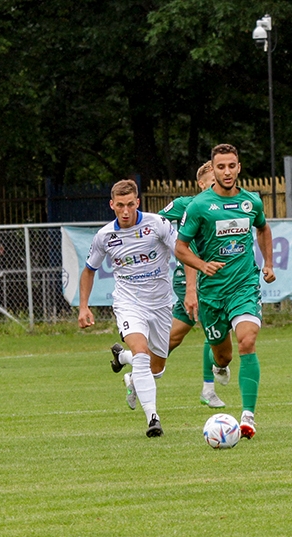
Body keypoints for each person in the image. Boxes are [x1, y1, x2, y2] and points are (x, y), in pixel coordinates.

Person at [78, 180, 216, 437]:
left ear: (138, 202)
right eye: (120, 205)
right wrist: (83, 306)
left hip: (161, 304)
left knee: (157, 369)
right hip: (129, 304)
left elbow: (184, 253)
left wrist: (190, 290)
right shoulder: (105, 236)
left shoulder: (157, 224)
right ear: (112, 205)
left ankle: (124, 361)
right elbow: (89, 271)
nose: (126, 210)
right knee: (141, 353)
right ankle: (153, 418)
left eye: (130, 204)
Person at [175, 144, 276, 439]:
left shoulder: (251, 202)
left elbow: (263, 229)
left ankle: (247, 417)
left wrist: (268, 263)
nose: (227, 172)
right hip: (211, 295)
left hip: (244, 286)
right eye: (221, 167)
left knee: (247, 340)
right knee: (223, 356)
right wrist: (201, 265)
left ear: (239, 167)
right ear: (213, 168)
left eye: (232, 166)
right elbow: (181, 247)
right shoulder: (199, 206)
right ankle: (219, 367)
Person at [158, 161, 230, 409]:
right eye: (213, 181)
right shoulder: (184, 205)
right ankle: (208, 389)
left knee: (174, 337)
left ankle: (136, 373)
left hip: (213, 278)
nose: (217, 186)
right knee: (215, 329)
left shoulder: (226, 207)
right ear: (201, 184)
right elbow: (154, 225)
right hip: (187, 278)